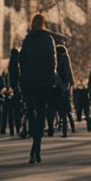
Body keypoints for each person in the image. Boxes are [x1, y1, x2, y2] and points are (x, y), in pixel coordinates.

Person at [19, 14, 57, 164]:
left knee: (30, 111)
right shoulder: (48, 39)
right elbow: (52, 62)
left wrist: (24, 76)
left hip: (29, 82)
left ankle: (34, 147)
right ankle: (36, 148)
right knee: (41, 113)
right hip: (44, 82)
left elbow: (21, 60)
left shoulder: (28, 39)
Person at [54, 45, 77, 137]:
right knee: (66, 109)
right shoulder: (65, 58)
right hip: (64, 85)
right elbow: (69, 71)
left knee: (57, 107)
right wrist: (71, 83)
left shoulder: (55, 59)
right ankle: (70, 127)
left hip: (56, 85)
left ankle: (58, 128)